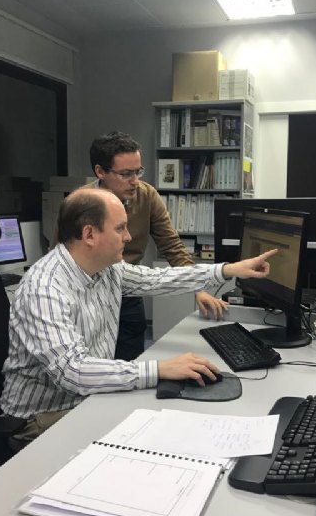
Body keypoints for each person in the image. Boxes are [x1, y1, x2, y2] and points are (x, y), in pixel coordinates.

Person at [1, 187, 277, 448]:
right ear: (89, 234)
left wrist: (228, 270)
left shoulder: (107, 269)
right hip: (42, 418)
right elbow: (73, 371)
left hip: (87, 397)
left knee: (167, 416)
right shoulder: (45, 288)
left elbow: (158, 279)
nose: (128, 237)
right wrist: (159, 369)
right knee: (157, 435)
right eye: (120, 228)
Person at [87, 131, 228, 360]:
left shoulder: (146, 196)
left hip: (129, 290)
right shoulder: (80, 204)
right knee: (93, 363)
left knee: (132, 360)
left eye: (138, 171)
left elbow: (171, 244)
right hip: (89, 296)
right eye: (126, 174)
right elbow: (61, 256)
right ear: (100, 172)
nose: (135, 181)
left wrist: (197, 288)